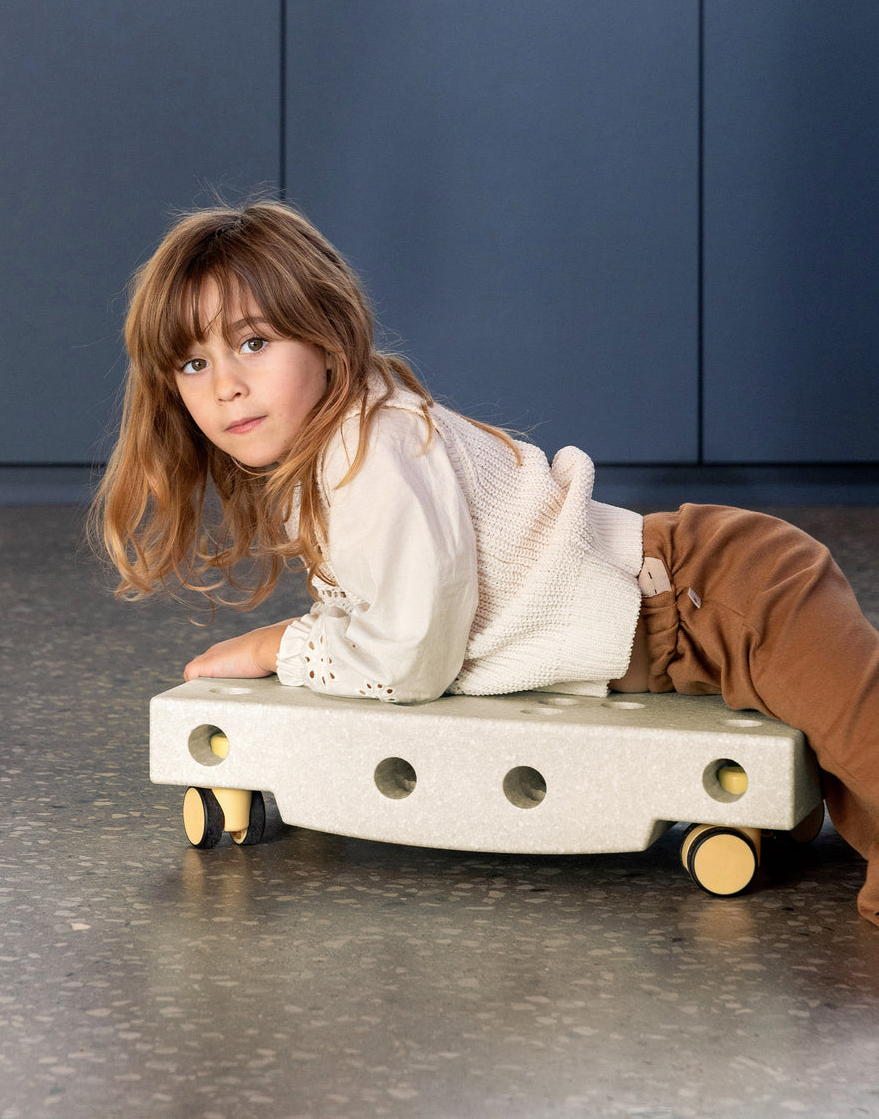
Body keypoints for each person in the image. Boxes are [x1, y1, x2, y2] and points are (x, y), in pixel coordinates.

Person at [93, 201, 879, 927]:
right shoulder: (333, 454)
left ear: (327, 338)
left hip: (721, 588)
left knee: (868, 745)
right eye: (193, 364)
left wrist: (280, 647)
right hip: (690, 611)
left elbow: (409, 658)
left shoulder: (372, 452)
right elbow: (387, 606)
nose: (227, 385)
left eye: (253, 343)